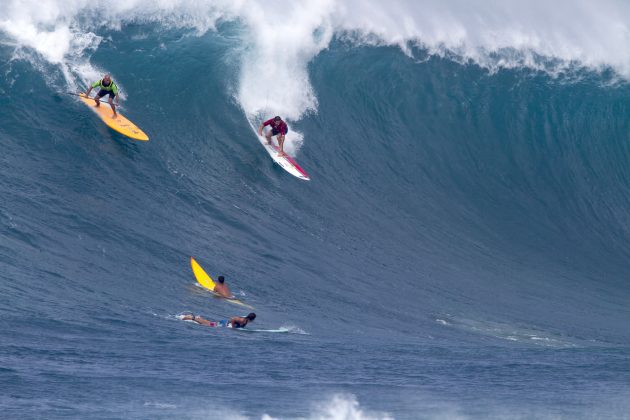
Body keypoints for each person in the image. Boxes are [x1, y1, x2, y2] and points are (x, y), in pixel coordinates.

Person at [182, 313, 256, 329]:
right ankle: (192, 317)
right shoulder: (242, 320)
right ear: (251, 319)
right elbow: (233, 318)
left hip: (225, 324)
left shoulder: (246, 321)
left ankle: (198, 318)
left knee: (209, 323)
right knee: (208, 324)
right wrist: (233, 327)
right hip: (224, 323)